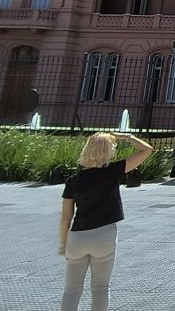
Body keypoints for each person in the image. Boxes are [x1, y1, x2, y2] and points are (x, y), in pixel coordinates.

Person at [59, 131, 153, 311]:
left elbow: (66, 217)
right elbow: (147, 150)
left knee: (71, 291)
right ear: (108, 152)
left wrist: (64, 243)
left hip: (78, 237)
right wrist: (126, 137)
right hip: (104, 236)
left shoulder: (73, 181)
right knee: (101, 288)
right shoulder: (113, 171)